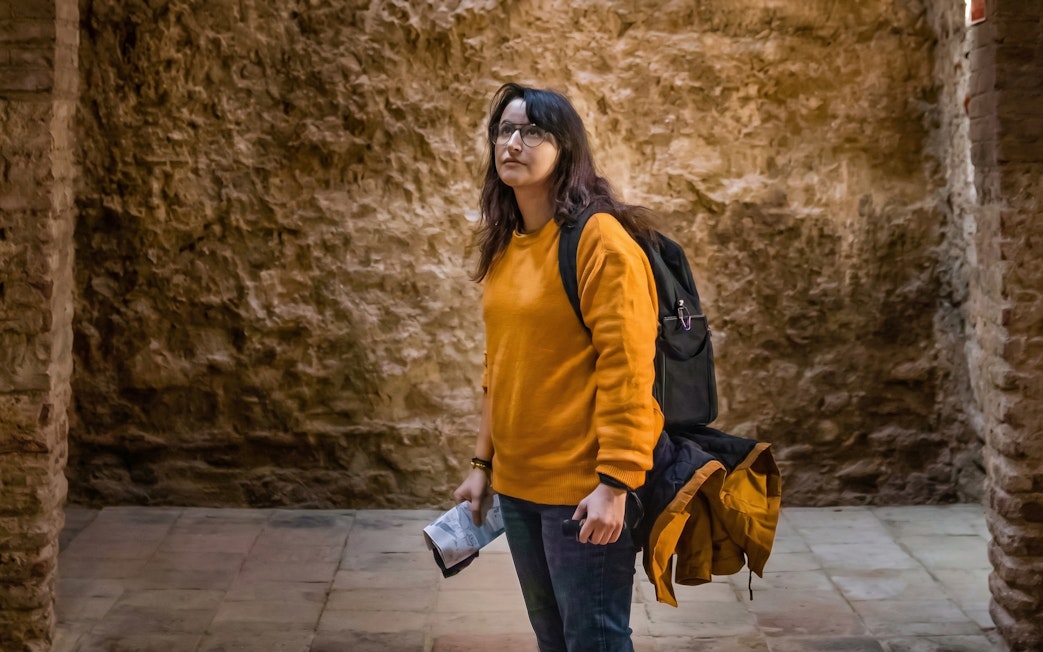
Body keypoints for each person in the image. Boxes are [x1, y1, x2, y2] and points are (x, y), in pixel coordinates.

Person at [452, 82, 664, 652]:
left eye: (532, 132)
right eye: (504, 131)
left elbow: (628, 371)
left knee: (593, 639)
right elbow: (500, 367)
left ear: (565, 149)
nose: (513, 143)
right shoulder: (508, 243)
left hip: (581, 488)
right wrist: (482, 463)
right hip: (519, 487)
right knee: (554, 640)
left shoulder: (600, 243)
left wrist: (616, 485)